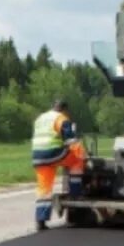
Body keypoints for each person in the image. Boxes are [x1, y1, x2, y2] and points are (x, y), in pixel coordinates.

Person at [31, 99, 86, 230]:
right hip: (53, 153)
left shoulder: (40, 118)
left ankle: (41, 221)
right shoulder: (61, 118)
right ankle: (75, 194)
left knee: (44, 189)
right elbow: (71, 141)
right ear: (64, 110)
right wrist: (84, 154)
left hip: (38, 156)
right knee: (77, 159)